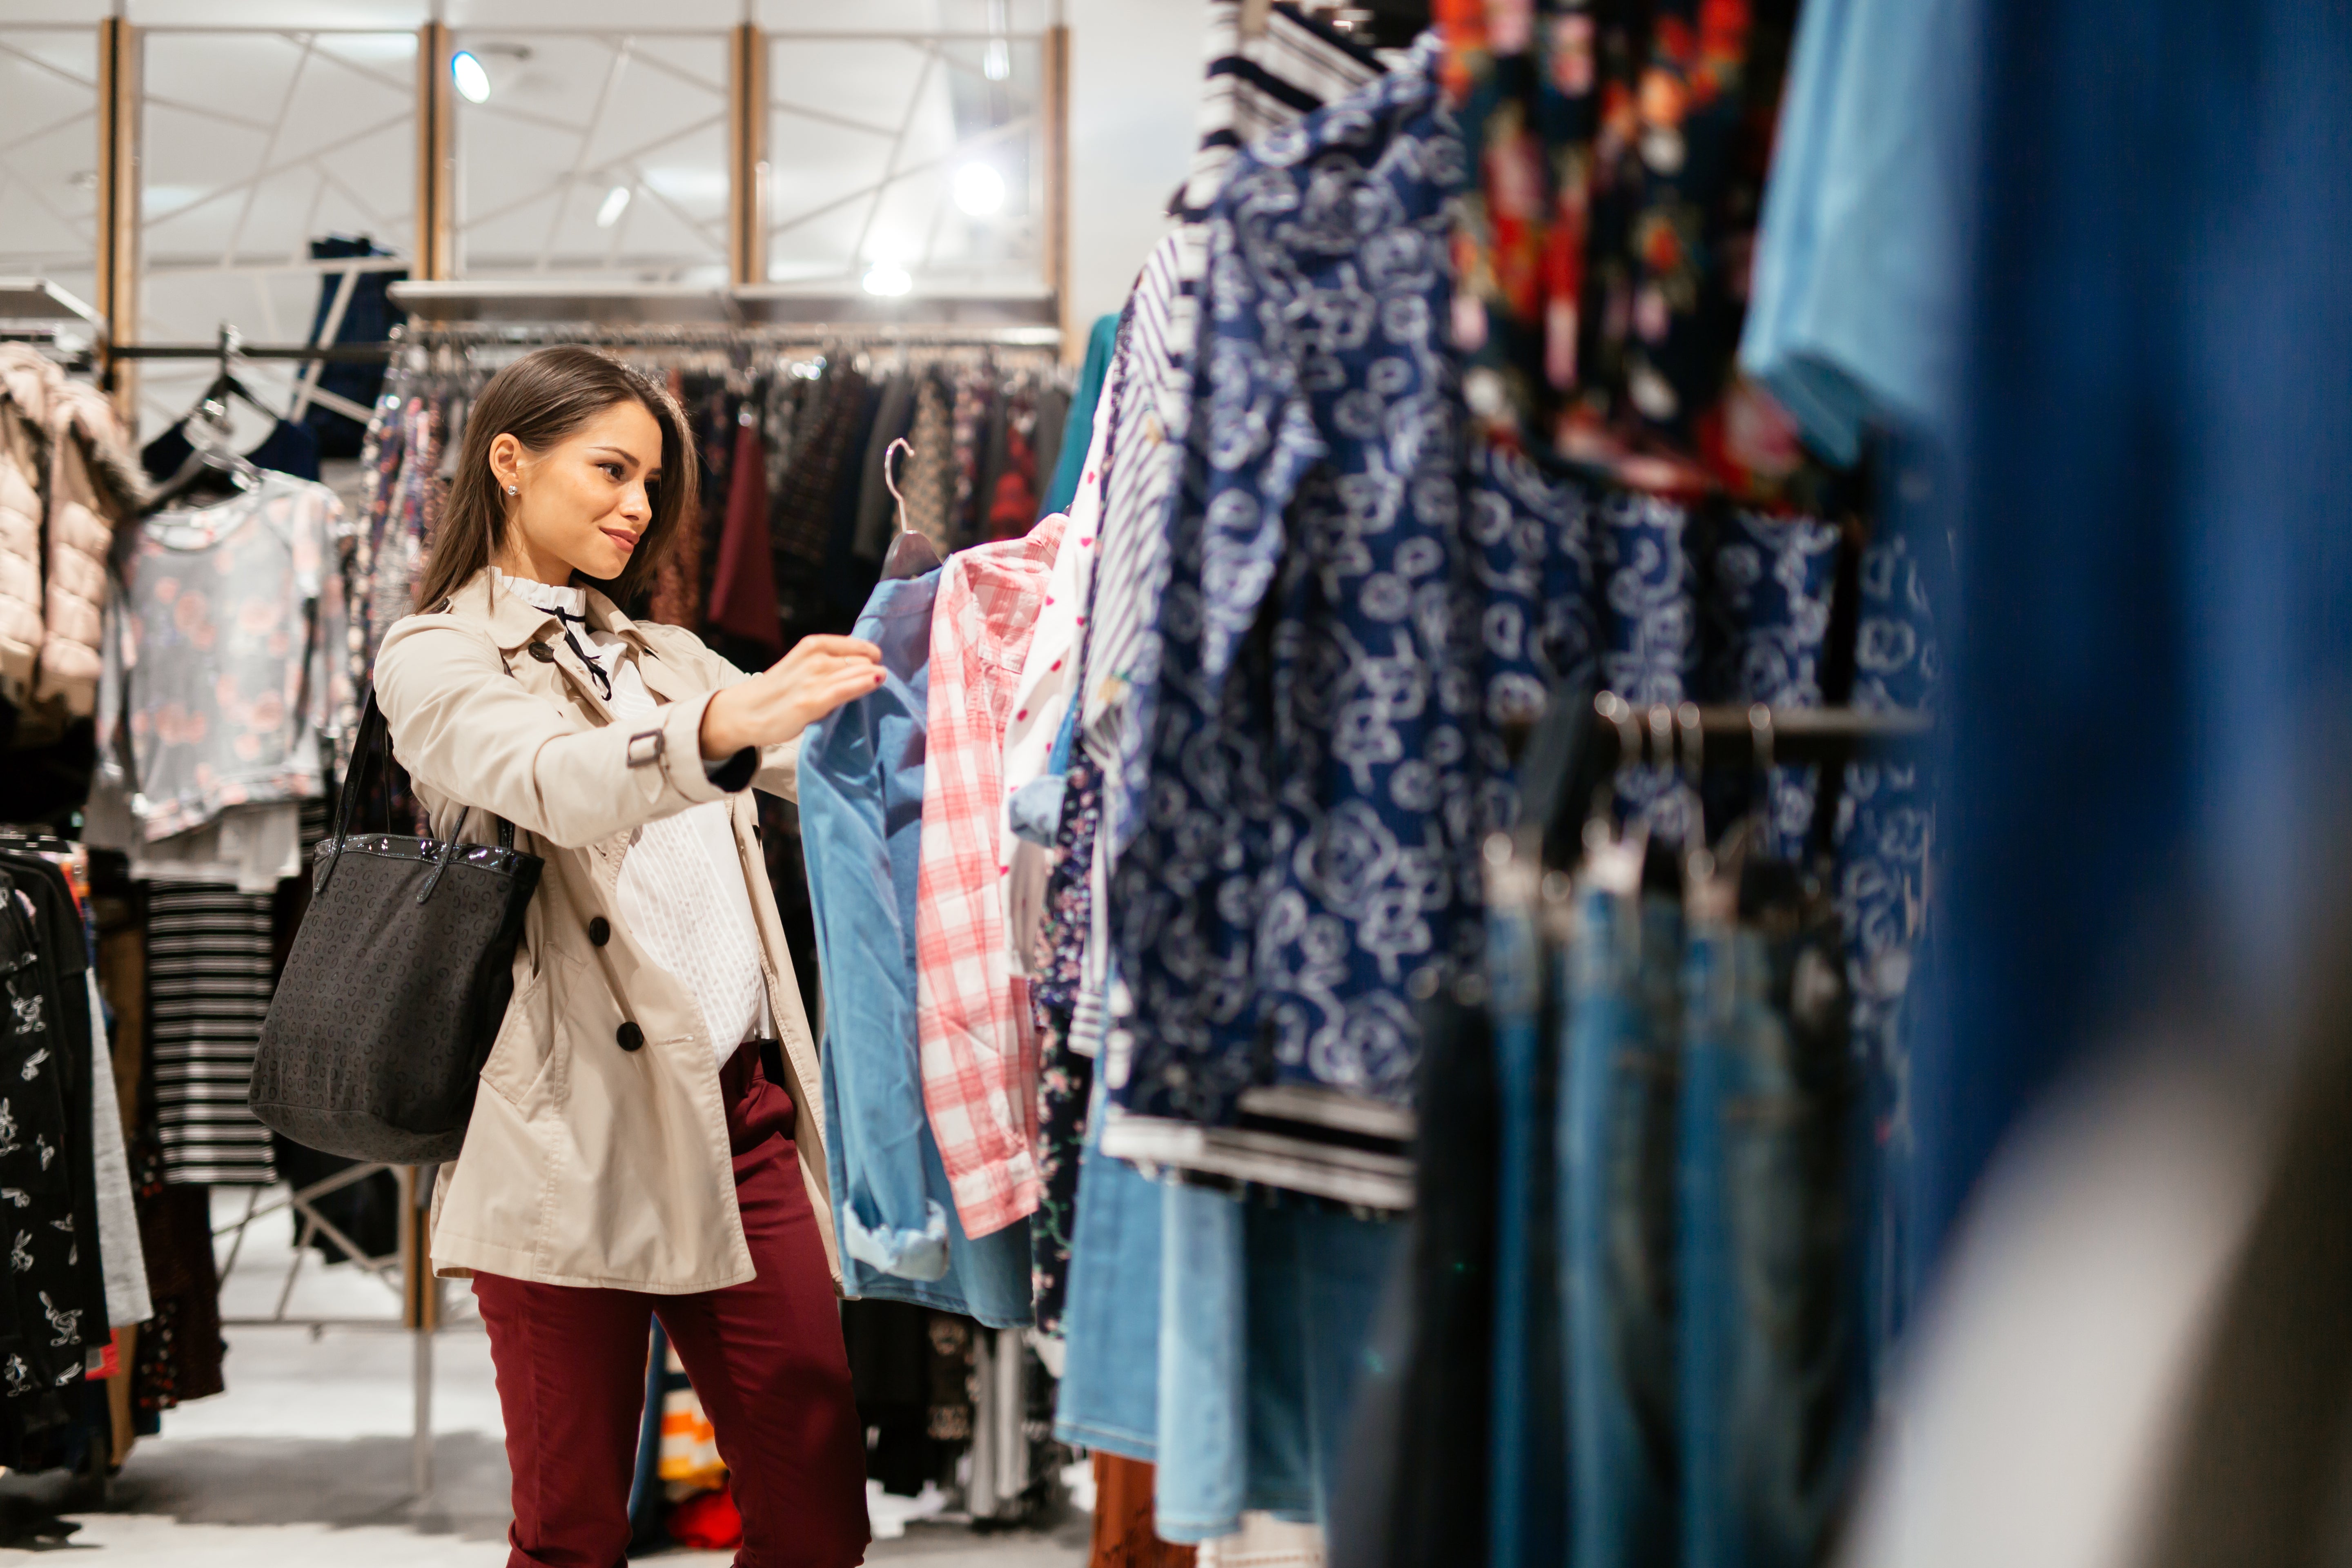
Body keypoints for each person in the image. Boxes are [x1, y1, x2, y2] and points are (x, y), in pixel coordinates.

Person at [372, 345, 886, 1566]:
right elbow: (555, 781)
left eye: (652, 482)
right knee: (572, 1531)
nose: (637, 507)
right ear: (511, 460)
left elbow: (819, 774)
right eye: (611, 469)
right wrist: (723, 725)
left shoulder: (667, 654)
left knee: (817, 1500)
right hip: (570, 1130)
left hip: (742, 1115)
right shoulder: (436, 655)